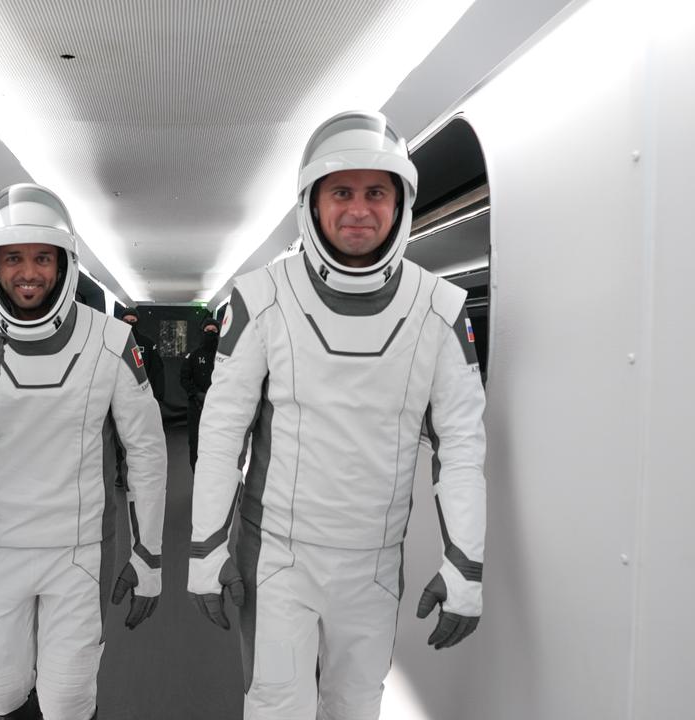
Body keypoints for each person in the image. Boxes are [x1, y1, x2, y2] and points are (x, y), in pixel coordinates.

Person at [188, 110, 487, 719]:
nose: (358, 208)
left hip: (374, 561)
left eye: (375, 192)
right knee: (275, 707)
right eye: (341, 192)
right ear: (313, 203)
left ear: (400, 203)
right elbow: (220, 435)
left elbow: (461, 448)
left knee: (356, 706)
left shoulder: (441, 308)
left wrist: (466, 567)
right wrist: (207, 549)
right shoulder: (260, 296)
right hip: (276, 555)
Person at [0, 184, 167, 720]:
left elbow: (146, 452)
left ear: (63, 264)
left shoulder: (111, 342)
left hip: (79, 552)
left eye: (41, 258)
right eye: (14, 259)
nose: (28, 272)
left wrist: (148, 559)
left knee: (69, 701)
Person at [180, 316, 221, 470]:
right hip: (197, 406)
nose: (210, 332)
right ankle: (196, 473)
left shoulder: (223, 356)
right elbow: (184, 378)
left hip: (219, 407)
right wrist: (196, 394)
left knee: (217, 442)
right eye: (207, 330)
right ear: (202, 332)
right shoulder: (194, 355)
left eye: (214, 330)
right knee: (196, 442)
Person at [119, 307, 166, 403]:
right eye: (126, 320)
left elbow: (156, 370)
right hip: (120, 392)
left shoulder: (147, 343)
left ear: (137, 322)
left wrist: (157, 395)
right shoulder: (115, 342)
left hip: (142, 391)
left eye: (132, 320)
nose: (129, 323)